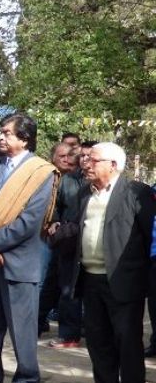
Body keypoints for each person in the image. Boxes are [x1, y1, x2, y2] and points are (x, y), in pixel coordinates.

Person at [0, 113, 58, 383]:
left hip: (20, 265)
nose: (1, 137)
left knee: (22, 331)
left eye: (7, 133)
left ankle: (27, 378)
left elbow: (30, 221)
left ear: (24, 138)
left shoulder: (40, 173)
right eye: (1, 132)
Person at [69, 142, 154, 382]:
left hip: (123, 283)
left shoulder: (136, 193)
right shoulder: (85, 193)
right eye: (87, 160)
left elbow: (150, 237)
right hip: (90, 281)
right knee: (98, 346)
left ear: (113, 165)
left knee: (128, 346)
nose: (86, 164)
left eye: (93, 160)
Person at [41, 141, 95, 348]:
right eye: (82, 156)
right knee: (66, 290)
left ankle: (94, 331)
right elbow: (54, 206)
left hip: (95, 245)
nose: (85, 160)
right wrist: (54, 222)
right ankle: (69, 334)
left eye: (90, 156)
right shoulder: (68, 181)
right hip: (69, 241)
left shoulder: (107, 185)